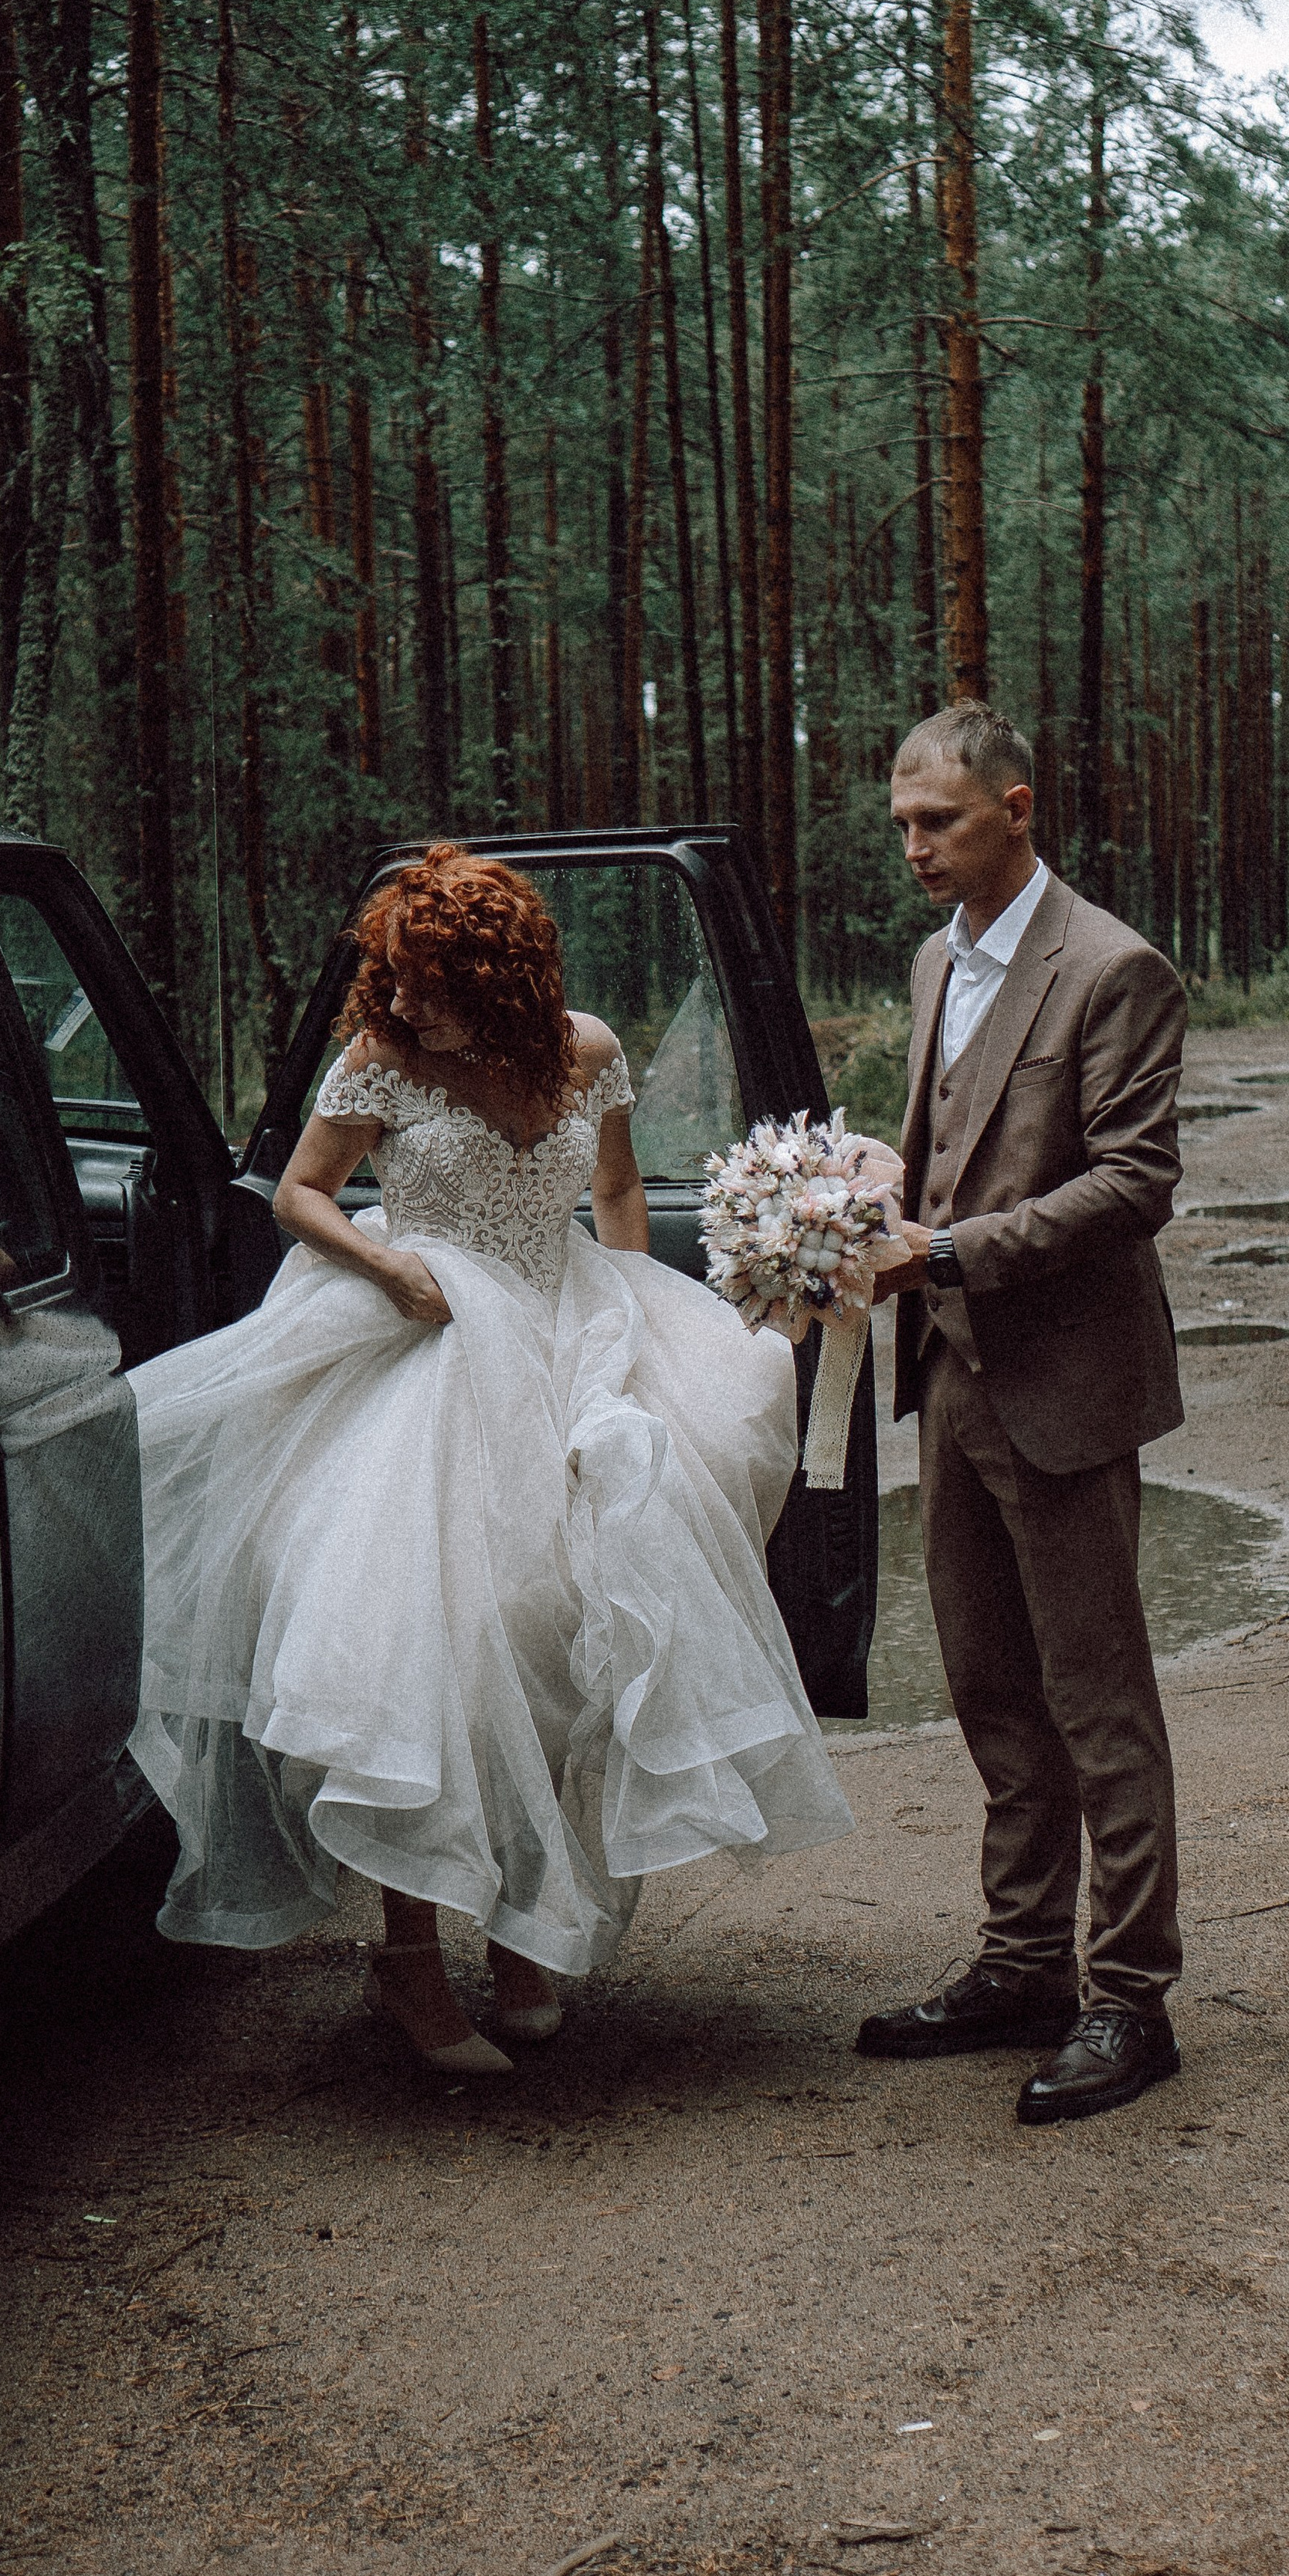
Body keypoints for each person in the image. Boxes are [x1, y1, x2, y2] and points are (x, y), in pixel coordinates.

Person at [127, 846, 853, 2073]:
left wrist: (636, 1333)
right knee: (438, 1651)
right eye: (393, 975)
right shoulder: (382, 1061)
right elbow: (299, 1195)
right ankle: (410, 1958)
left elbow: (614, 1193)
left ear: (494, 974)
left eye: (427, 979)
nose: (403, 998)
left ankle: (526, 1926)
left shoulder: (588, 1052)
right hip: (428, 1346)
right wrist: (388, 1266)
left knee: (570, 1631)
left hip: (568, 1334)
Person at [859, 703, 1188, 2126]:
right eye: (902, 826)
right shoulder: (937, 962)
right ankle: (1022, 1965)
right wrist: (859, 1200)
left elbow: (1135, 1182)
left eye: (938, 821)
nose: (915, 848)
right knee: (991, 1691)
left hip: (1064, 1387)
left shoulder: (1113, 967)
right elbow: (950, 1147)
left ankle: (1131, 1998)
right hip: (951, 1380)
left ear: (1017, 807)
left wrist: (940, 1252)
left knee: (1097, 1702)